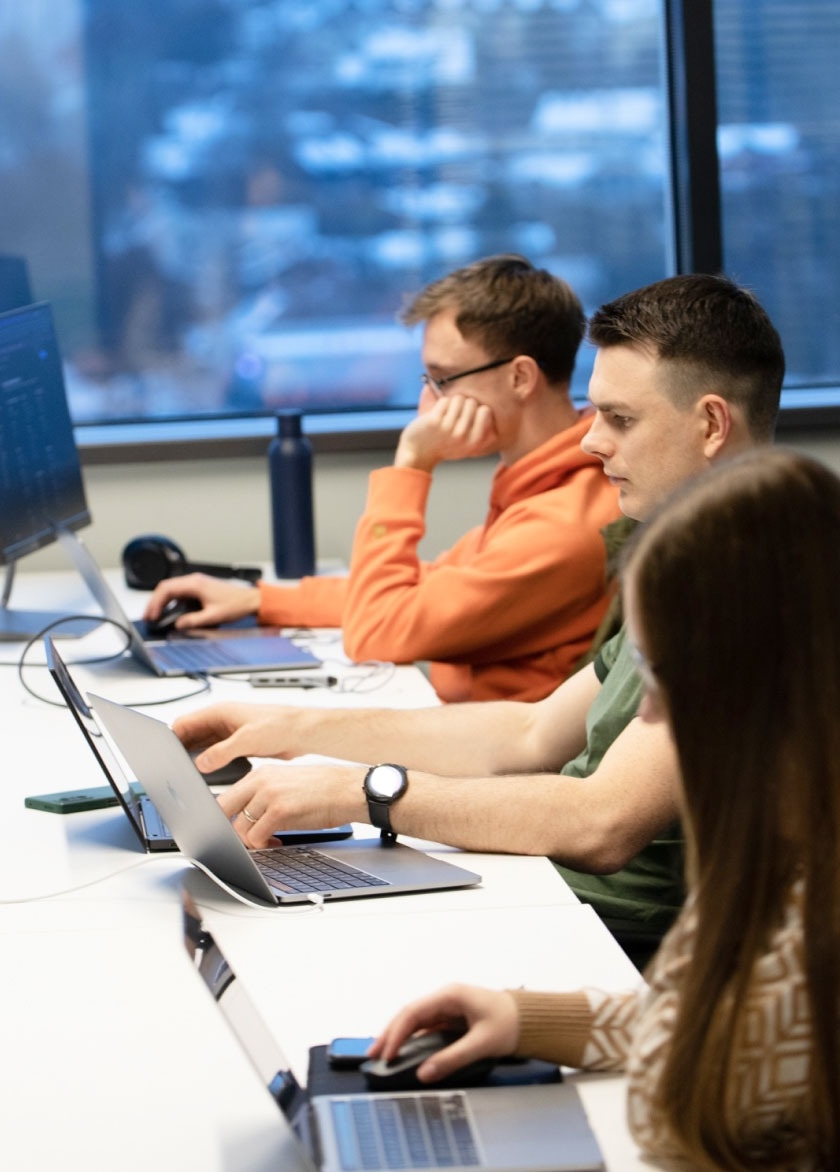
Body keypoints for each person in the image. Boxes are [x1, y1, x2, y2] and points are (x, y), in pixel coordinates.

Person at [171, 273, 786, 964]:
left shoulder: (752, 587)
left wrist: (361, 791)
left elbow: (603, 821)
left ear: (710, 424)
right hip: (560, 891)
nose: (591, 443)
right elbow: (528, 732)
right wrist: (292, 729)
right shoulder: (686, 556)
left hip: (625, 947)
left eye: (620, 419)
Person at [367, 447, 840, 1171]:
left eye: (658, 671)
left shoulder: (807, 914)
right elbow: (701, 1019)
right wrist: (528, 1019)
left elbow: (678, 1105)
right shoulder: (785, 832)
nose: (646, 712)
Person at [144, 254, 621, 703]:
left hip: (495, 767)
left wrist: (411, 465)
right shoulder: (543, 479)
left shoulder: (562, 525)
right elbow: (419, 592)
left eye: (444, 380)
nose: (427, 406)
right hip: (461, 725)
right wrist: (258, 600)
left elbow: (376, 630)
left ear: (520, 377)